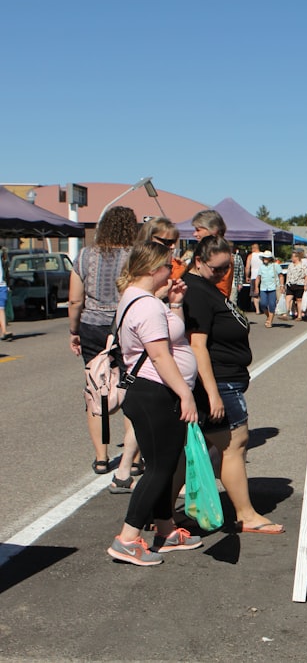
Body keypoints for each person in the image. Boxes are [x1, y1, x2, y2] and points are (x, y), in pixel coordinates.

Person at [107, 242, 202, 566]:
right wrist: (185, 394)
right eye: (167, 266)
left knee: (162, 464)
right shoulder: (146, 306)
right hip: (155, 393)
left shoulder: (140, 299)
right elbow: (160, 356)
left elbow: (169, 338)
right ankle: (128, 538)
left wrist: (174, 304)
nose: (171, 272)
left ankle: (165, 529)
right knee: (160, 468)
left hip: (152, 393)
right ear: (151, 269)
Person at [183, 236, 284, 535]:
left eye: (227, 267)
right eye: (217, 268)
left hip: (224, 380)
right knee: (233, 447)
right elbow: (197, 346)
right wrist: (213, 393)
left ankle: (161, 513)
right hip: (219, 383)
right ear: (199, 261)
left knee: (192, 450)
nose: (223, 272)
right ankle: (246, 514)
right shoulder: (198, 291)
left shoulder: (205, 287)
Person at [68, 206, 141, 476]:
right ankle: (133, 459)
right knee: (132, 388)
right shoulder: (135, 256)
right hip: (127, 326)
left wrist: (73, 330)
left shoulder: (85, 255)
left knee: (96, 386)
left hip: (92, 326)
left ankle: (101, 457)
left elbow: (76, 299)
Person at [190, 209, 233, 298]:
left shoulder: (222, 256)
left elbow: (221, 291)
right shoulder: (201, 250)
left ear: (213, 230)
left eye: (198, 230)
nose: (194, 234)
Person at [254, 250, 283, 328]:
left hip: (273, 288)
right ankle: (268, 316)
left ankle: (270, 321)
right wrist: (256, 287)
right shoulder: (261, 267)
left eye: (267, 258)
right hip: (263, 288)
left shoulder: (275, 265)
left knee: (272, 305)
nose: (265, 259)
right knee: (263, 304)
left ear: (270, 258)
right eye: (264, 258)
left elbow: (281, 276)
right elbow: (258, 277)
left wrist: (282, 285)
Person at [282, 250, 307, 321]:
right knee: (287, 299)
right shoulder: (290, 265)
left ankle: (299, 315)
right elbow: (288, 275)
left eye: (293, 257)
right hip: (290, 284)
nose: (292, 258)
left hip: (299, 284)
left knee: (298, 300)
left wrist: (306, 285)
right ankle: (285, 313)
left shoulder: (302, 265)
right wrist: (286, 284)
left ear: (297, 257)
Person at [246, 244, 264, 314]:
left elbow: (247, 267)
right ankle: (264, 308)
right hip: (263, 275)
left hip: (254, 276)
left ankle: (257, 310)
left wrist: (247, 276)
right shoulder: (263, 255)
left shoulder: (250, 256)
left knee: (255, 294)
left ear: (253, 248)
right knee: (263, 293)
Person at [0, 247, 11, 341]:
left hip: (2, 284)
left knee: (1, 308)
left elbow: (7, 271)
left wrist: (8, 284)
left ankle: (4, 331)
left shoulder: (3, 253)